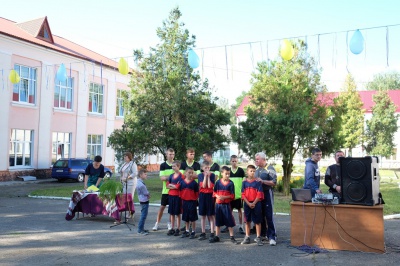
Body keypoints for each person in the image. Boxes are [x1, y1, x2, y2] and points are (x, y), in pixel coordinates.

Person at [255, 152, 277, 246]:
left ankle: (272, 236)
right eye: (255, 159)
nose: (256, 161)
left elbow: (274, 182)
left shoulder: (270, 169)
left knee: (269, 215)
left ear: (263, 159)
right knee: (261, 215)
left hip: (267, 193)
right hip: (258, 195)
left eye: (257, 159)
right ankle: (263, 234)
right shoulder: (256, 170)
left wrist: (263, 181)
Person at [211, 166, 237, 244]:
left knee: (229, 220)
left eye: (229, 174)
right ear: (222, 173)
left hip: (226, 205)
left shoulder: (231, 183)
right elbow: (214, 192)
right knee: (218, 221)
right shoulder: (218, 182)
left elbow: (232, 196)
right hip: (218, 205)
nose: (228, 175)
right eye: (226, 174)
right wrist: (217, 196)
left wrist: (225, 197)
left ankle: (232, 237)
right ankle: (217, 236)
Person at [241, 165, 264, 246]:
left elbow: (259, 194)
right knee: (247, 221)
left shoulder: (258, 182)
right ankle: (247, 236)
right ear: (247, 172)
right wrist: (248, 203)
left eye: (254, 171)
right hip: (247, 204)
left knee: (257, 221)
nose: (252, 173)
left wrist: (254, 203)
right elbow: (243, 195)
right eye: (251, 171)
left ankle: (258, 237)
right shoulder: (244, 182)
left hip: (256, 203)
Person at [153, 148, 175, 231]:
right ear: (166, 155)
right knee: (162, 207)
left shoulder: (176, 164)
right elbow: (162, 178)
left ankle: (169, 223)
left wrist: (168, 177)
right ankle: (157, 223)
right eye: (170, 154)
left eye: (172, 154)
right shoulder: (163, 165)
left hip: (174, 191)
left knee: (171, 208)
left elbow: (178, 176)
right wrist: (171, 176)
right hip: (165, 191)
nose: (171, 156)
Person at [222, 155, 245, 234]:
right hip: (230, 195)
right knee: (229, 211)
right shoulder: (228, 171)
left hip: (238, 195)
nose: (234, 162)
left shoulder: (241, 171)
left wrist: (243, 193)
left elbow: (243, 182)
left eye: (235, 161)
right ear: (230, 161)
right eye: (233, 161)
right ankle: (228, 225)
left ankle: (241, 226)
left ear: (237, 161)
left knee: (240, 211)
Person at [197, 161, 216, 241]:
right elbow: (203, 185)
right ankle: (203, 232)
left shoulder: (213, 175)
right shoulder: (200, 175)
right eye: (205, 168)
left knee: (210, 215)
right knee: (203, 215)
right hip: (202, 196)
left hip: (210, 196)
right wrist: (205, 176)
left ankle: (212, 232)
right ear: (202, 168)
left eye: (208, 168)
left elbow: (209, 186)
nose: (207, 169)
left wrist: (208, 177)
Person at [179, 167, 199, 239]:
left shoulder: (194, 183)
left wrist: (193, 199)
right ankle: (187, 231)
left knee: (192, 217)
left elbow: (197, 193)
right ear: (185, 173)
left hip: (192, 202)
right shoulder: (182, 183)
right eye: (189, 172)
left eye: (192, 173)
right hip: (184, 202)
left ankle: (193, 231)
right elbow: (180, 192)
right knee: (186, 217)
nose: (190, 174)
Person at [166, 160, 184, 236]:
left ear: (178, 166)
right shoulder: (171, 176)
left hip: (177, 196)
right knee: (172, 213)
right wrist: (174, 186)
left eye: (174, 166)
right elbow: (167, 185)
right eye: (172, 166)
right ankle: (172, 228)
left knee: (177, 213)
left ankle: (178, 228)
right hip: (171, 196)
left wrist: (172, 186)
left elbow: (179, 186)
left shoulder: (181, 176)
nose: (173, 167)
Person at [119, 152, 138, 218]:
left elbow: (135, 173)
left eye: (126, 156)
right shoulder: (124, 164)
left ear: (129, 157)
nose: (125, 158)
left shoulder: (133, 164)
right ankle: (127, 211)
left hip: (131, 183)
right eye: (124, 156)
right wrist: (121, 178)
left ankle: (130, 212)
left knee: (129, 197)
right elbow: (121, 171)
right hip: (124, 183)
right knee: (125, 197)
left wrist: (127, 178)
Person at [136, 169, 150, 235]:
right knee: (143, 216)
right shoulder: (141, 184)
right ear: (141, 175)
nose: (146, 175)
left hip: (142, 200)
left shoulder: (138, 182)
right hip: (144, 200)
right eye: (145, 174)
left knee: (143, 215)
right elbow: (146, 192)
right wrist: (148, 194)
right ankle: (140, 230)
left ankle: (142, 228)